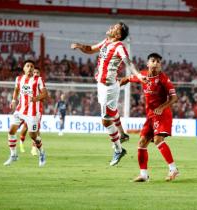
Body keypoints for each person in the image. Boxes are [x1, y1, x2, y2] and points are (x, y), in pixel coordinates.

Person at [71, 22, 147, 166]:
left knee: (105, 121)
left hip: (108, 88)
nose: (111, 27)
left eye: (114, 28)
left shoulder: (119, 47)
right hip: (102, 85)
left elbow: (128, 62)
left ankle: (119, 149)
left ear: (118, 35)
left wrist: (138, 75)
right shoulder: (106, 42)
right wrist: (81, 46)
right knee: (112, 111)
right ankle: (122, 134)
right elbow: (91, 49)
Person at [120, 53, 179, 182]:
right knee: (141, 143)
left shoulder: (163, 79)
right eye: (153, 61)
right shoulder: (143, 75)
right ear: (148, 64)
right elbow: (129, 78)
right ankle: (143, 175)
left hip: (162, 113)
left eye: (158, 61)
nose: (156, 63)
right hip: (150, 115)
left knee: (158, 140)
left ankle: (173, 169)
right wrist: (119, 83)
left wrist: (162, 107)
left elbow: (174, 98)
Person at [4, 60, 48, 167]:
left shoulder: (38, 80)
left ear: (33, 69)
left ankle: (42, 152)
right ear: (24, 68)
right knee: (11, 131)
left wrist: (35, 98)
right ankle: (13, 155)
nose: (30, 68)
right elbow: (16, 90)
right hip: (20, 110)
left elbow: (45, 93)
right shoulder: (19, 79)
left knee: (33, 136)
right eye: (27, 66)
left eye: (32, 66)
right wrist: (14, 100)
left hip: (32, 113)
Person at [18, 67, 43, 156]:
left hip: (37, 110)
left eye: (37, 72)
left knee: (36, 130)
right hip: (27, 109)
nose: (35, 73)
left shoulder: (40, 84)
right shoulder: (29, 83)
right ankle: (21, 142)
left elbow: (44, 96)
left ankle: (33, 148)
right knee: (25, 128)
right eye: (34, 72)